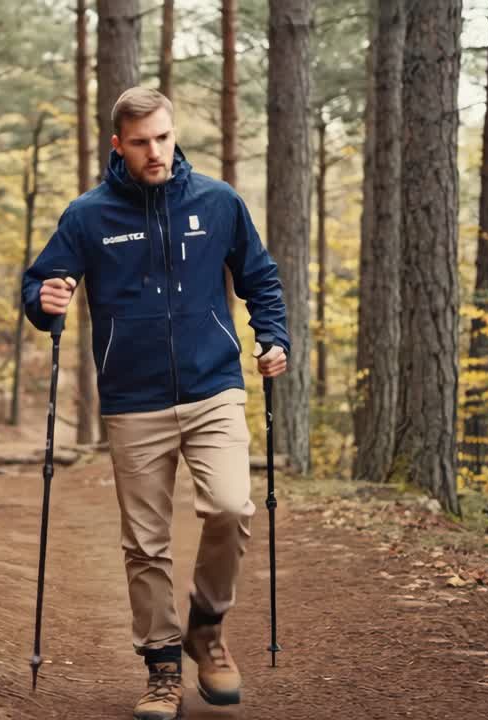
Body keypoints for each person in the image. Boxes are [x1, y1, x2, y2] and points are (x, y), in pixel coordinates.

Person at [21, 86, 289, 720]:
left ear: (174, 133)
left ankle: (207, 626)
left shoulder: (218, 202)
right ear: (119, 145)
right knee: (146, 542)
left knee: (230, 506)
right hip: (132, 399)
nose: (155, 152)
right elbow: (41, 281)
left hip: (213, 387)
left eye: (163, 138)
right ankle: (163, 668)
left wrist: (273, 337)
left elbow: (261, 279)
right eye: (140, 142)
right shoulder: (88, 216)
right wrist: (45, 301)